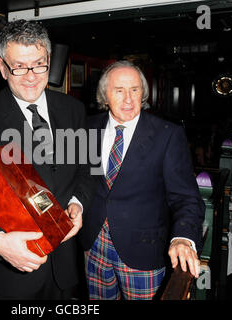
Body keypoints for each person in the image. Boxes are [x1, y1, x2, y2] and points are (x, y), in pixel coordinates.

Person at [0, 19, 94, 299]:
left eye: (38, 64)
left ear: (49, 60)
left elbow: (87, 169)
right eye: (19, 67)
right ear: (2, 68)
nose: (31, 76)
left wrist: (77, 204)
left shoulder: (73, 109)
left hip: (65, 267)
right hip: (14, 271)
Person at [80, 60, 205, 300]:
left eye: (135, 90)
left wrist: (182, 237)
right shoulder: (87, 127)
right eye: (119, 91)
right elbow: (79, 179)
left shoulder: (168, 134)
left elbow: (186, 198)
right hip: (93, 245)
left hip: (144, 250)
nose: (128, 99)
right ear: (104, 95)